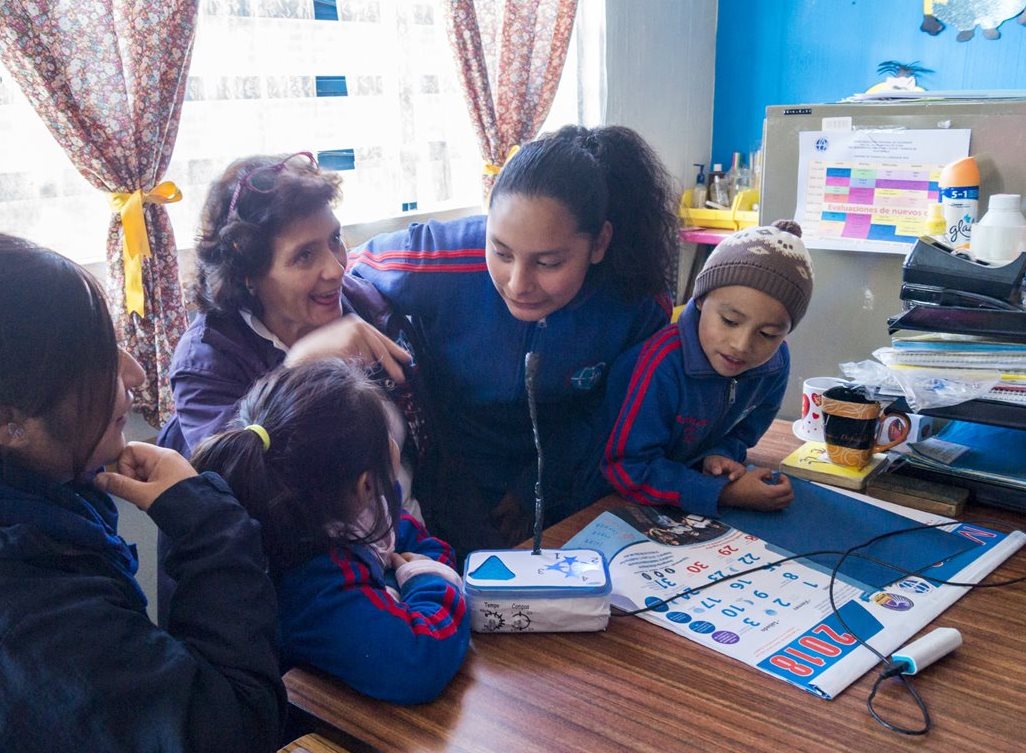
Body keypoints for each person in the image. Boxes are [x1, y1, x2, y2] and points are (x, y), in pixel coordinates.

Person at [0, 235, 286, 753]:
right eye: (100, 364)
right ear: (9, 423)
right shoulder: (34, 618)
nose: (133, 373)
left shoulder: (49, 506)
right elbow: (235, 725)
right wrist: (210, 524)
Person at [340, 125, 677, 554]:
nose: (518, 284)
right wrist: (344, 324)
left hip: (563, 473)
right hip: (447, 473)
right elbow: (343, 270)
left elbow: (607, 411)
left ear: (599, 244)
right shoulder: (440, 257)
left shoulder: (637, 303)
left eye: (549, 262)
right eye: (500, 252)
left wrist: (536, 484)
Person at [158, 152, 430, 520]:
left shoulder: (365, 304)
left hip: (416, 548)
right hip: (314, 569)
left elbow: (432, 446)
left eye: (335, 239)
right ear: (248, 274)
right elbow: (234, 492)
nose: (335, 269)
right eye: (304, 256)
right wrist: (300, 367)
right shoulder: (207, 360)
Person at [191, 359, 469, 705]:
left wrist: (406, 577)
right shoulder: (313, 583)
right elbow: (419, 661)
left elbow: (430, 548)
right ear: (365, 483)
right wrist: (428, 580)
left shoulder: (354, 510)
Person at [601, 220, 815, 517]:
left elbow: (744, 432)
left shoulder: (774, 363)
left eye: (767, 334)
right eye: (729, 320)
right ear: (700, 299)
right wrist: (723, 492)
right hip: (605, 497)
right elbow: (626, 467)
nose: (741, 345)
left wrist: (721, 453)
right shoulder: (662, 363)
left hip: (680, 492)